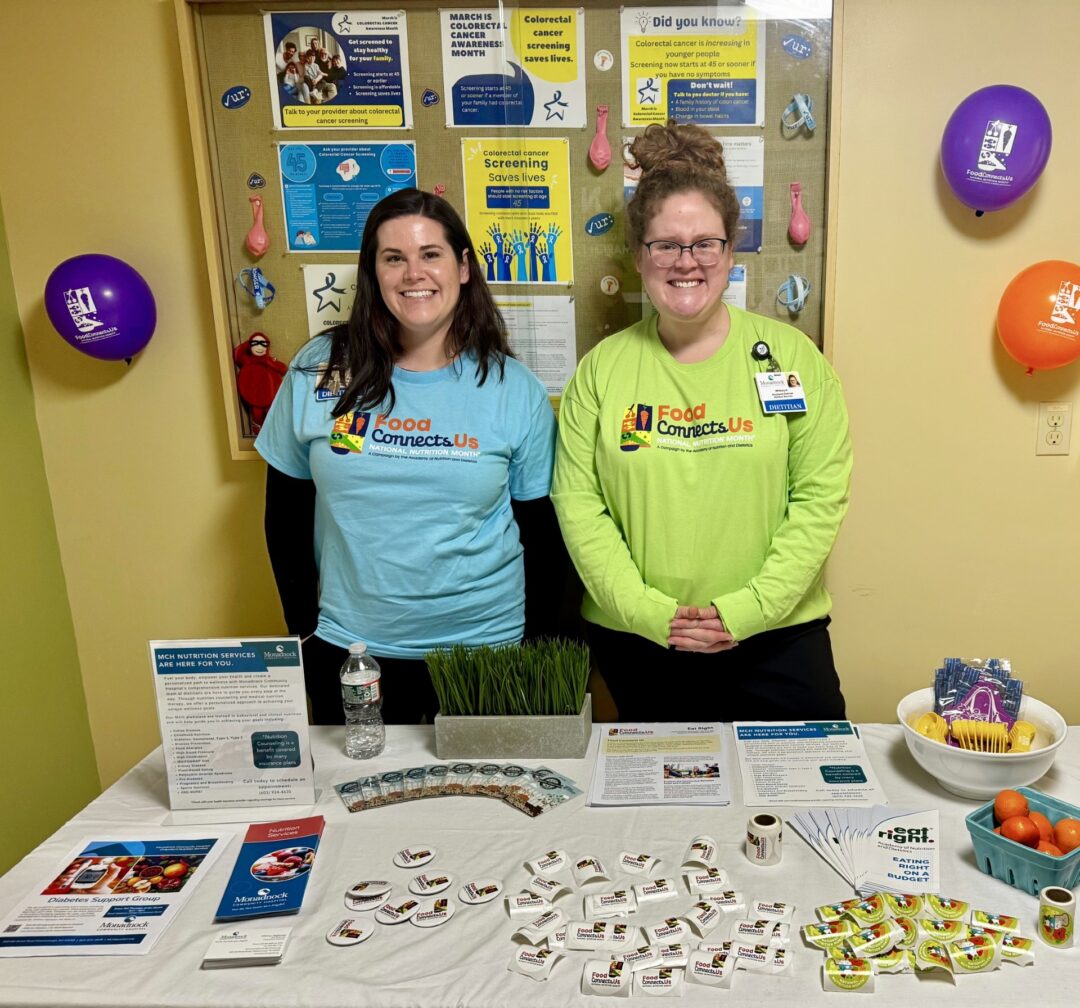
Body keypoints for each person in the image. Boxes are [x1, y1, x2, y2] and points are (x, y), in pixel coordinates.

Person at [551, 120, 852, 723]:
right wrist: (646, 612)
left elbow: (820, 496)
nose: (685, 262)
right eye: (666, 244)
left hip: (778, 639)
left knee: (812, 811)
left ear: (729, 249)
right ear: (639, 256)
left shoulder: (791, 359)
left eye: (704, 243)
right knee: (667, 816)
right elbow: (579, 505)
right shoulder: (601, 372)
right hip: (640, 642)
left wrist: (748, 610)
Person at [256, 188, 563, 725]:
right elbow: (284, 515)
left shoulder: (515, 389)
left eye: (431, 254)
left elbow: (543, 536)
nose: (412, 273)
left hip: (486, 652)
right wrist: (302, 631)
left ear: (463, 267)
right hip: (351, 654)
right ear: (373, 273)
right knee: (359, 802)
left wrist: (539, 649)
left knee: (482, 805)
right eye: (393, 258)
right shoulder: (319, 370)